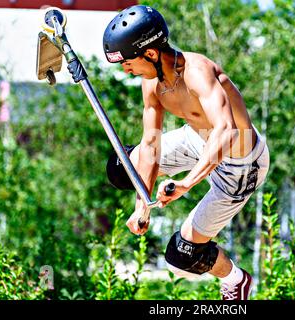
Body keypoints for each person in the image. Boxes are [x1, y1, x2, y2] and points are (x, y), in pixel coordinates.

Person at [103, 5, 269, 300]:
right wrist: (143, 202)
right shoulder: (151, 83)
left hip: (239, 164)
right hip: (196, 141)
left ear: (150, 54)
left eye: (127, 63)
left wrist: (186, 183)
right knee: (122, 166)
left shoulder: (198, 72)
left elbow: (226, 130)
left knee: (182, 254)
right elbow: (150, 144)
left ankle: (235, 279)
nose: (125, 70)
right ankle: (145, 180)